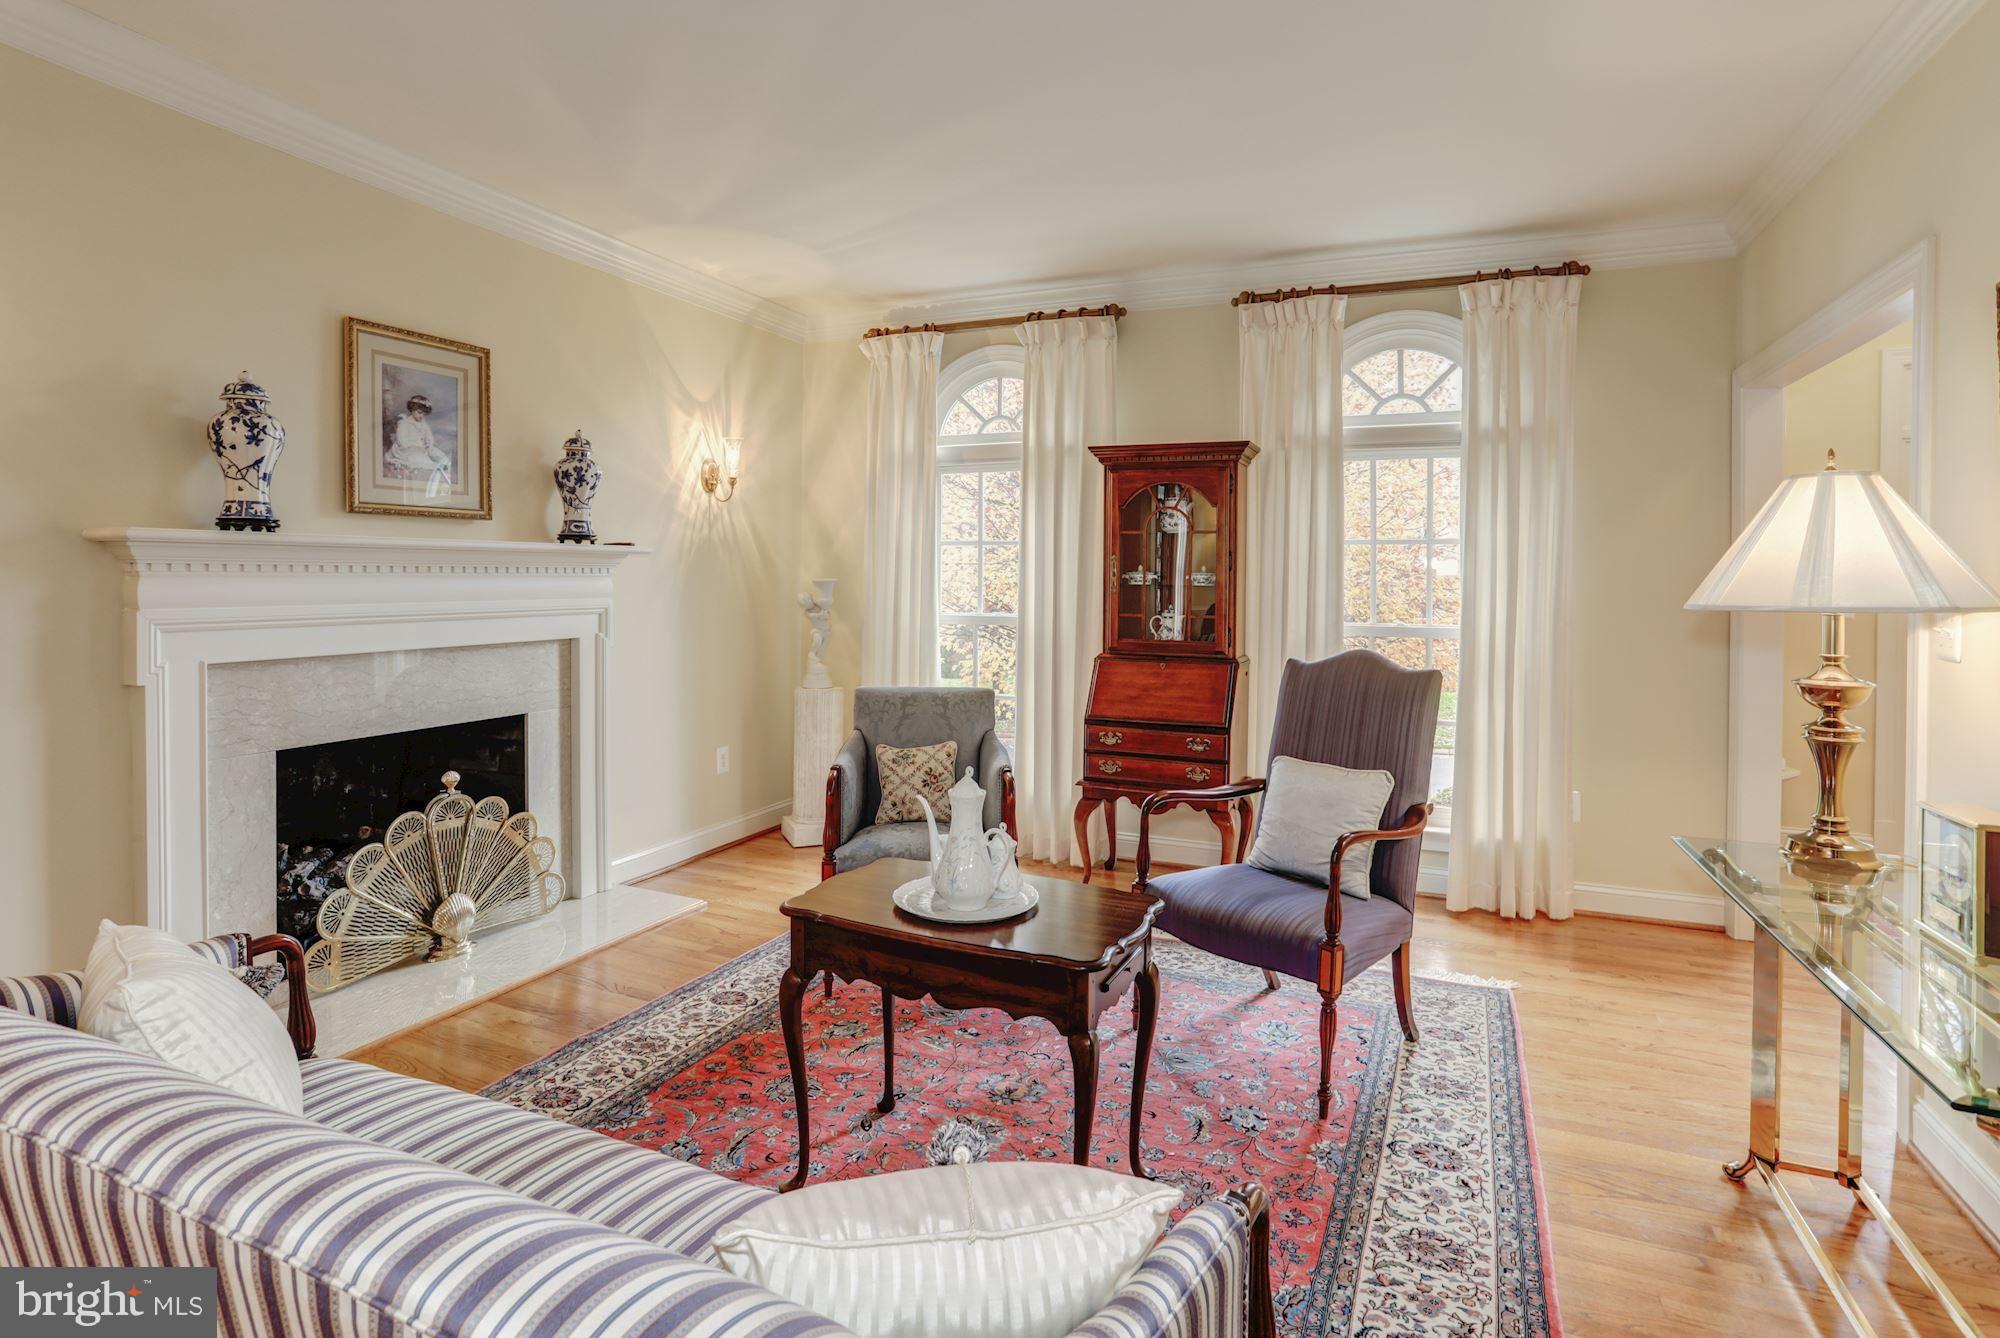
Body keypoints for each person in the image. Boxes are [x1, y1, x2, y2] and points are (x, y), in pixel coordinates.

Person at [384, 393, 453, 483]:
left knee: (441, 456)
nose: (421, 416)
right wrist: (418, 446)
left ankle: (443, 464)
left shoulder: (423, 424)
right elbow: (402, 442)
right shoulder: (404, 423)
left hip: (422, 448)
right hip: (406, 450)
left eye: (424, 414)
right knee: (419, 459)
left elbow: (429, 437)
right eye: (419, 413)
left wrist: (429, 445)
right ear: (412, 410)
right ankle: (435, 466)